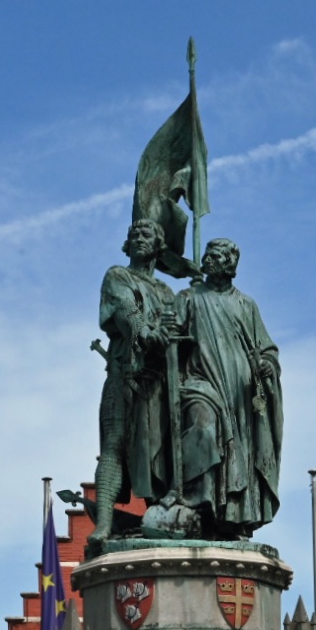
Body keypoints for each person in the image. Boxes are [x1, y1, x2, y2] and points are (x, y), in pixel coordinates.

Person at [172, 238, 283, 539]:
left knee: (241, 454)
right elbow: (171, 337)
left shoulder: (246, 305)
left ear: (231, 265)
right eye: (207, 254)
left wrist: (267, 366)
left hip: (241, 394)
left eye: (218, 255)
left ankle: (233, 518)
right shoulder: (189, 298)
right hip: (201, 382)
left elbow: (268, 349)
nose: (210, 259)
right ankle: (199, 504)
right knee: (203, 426)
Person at [93, 219, 178, 541]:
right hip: (125, 371)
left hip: (159, 379)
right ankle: (102, 524)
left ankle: (159, 518)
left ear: (158, 246)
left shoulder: (167, 291)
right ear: (127, 245)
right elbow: (126, 311)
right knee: (115, 445)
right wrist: (147, 331)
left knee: (160, 449)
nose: (139, 238)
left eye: (147, 234)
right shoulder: (118, 275)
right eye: (134, 234)